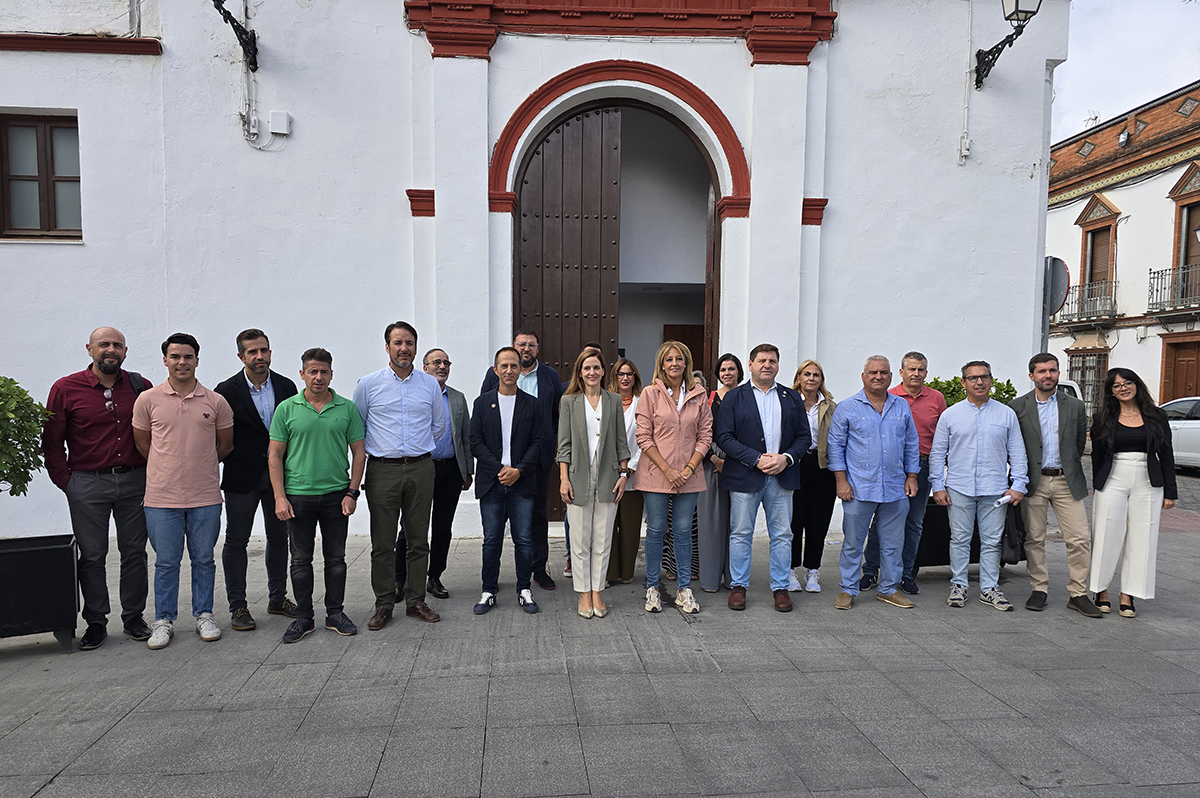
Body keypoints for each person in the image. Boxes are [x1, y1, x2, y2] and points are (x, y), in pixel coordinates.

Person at [42, 326, 153, 650]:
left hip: (135, 481)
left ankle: (133, 617)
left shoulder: (139, 386)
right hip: (88, 484)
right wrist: (68, 483)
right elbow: (52, 442)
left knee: (135, 553)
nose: (111, 350)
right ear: (89, 349)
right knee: (92, 556)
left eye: (117, 345)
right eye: (104, 344)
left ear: (125, 351)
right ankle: (96, 622)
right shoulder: (65, 388)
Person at [132, 333, 234, 649]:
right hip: (161, 498)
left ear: (197, 361)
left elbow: (225, 445)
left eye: (188, 356)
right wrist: (170, 467)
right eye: (175, 356)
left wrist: (197, 465)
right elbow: (143, 444)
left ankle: (204, 615)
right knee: (166, 561)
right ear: (165, 360)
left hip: (205, 496)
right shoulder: (147, 400)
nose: (182, 362)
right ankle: (163, 620)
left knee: (204, 559)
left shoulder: (215, 401)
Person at [268, 348, 366, 643]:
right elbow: (274, 455)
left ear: (331, 374)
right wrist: (279, 497)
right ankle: (305, 617)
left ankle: (335, 613)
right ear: (302, 374)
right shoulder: (287, 408)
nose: (318, 377)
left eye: (324, 371)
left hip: (337, 495)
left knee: (336, 559)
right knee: (300, 560)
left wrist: (352, 492)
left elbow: (359, 452)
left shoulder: (347, 408)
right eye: (313, 371)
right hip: (298, 496)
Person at [354, 321, 446, 628]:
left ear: (415, 348)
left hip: (421, 468)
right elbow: (359, 428)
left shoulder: (430, 385)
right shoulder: (368, 385)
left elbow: (438, 424)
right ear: (387, 347)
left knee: (418, 540)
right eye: (397, 343)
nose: (403, 348)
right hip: (383, 471)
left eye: (409, 343)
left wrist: (419, 450)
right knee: (383, 542)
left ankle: (415, 600)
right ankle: (383, 603)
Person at [214, 329, 299, 632]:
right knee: (237, 540)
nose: (259, 356)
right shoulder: (225, 390)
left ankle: (277, 598)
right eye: (252, 352)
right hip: (242, 476)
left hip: (281, 476)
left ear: (270, 353)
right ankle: (238, 606)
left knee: (279, 538)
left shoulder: (287, 386)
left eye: (264, 350)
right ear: (241, 356)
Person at [716, 344, 810, 612]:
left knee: (782, 534)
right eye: (761, 360)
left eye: (772, 360)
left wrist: (786, 458)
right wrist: (755, 459)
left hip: (782, 476)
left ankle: (780, 587)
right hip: (745, 475)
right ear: (750, 364)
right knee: (741, 532)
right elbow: (723, 436)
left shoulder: (792, 397)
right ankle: (738, 586)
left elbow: (804, 436)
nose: (767, 365)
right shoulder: (734, 397)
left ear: (778, 365)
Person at [931, 360, 1028, 611]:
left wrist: (1019, 483)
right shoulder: (950, 415)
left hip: (994, 489)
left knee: (992, 541)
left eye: (984, 377)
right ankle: (959, 585)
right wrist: (937, 486)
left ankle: (989, 588)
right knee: (960, 539)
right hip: (959, 488)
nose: (979, 382)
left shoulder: (1006, 414)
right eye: (973, 378)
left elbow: (1017, 451)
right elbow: (937, 452)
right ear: (963, 382)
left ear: (991, 380)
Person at [1010, 353, 1102, 617]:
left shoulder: (1074, 406)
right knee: (1035, 538)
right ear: (1032, 376)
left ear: (1059, 374)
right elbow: (1014, 447)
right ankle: (1039, 589)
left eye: (1052, 370)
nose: (1047, 375)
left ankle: (1078, 593)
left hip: (1066, 480)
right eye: (1041, 371)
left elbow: (1077, 445)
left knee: (1079, 539)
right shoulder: (1017, 407)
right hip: (1034, 482)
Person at [828, 355, 919, 610]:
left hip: (895, 487)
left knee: (893, 543)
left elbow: (911, 444)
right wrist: (841, 482)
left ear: (891, 376)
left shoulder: (901, 406)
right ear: (863, 376)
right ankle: (848, 589)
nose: (878, 377)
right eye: (873, 372)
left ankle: (888, 589)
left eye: (884, 372)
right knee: (853, 542)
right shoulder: (847, 407)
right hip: (858, 488)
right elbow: (835, 446)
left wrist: (912, 477)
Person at [480, 329, 564, 590]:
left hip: (535, 461)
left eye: (531, 345)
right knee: (496, 526)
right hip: (499, 464)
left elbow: (555, 416)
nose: (526, 348)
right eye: (521, 344)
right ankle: (493, 579)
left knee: (537, 516)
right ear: (514, 347)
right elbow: (484, 415)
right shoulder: (495, 375)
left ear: (537, 348)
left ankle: (538, 569)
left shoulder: (550, 376)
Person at [1089, 368, 1177, 619]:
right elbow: (1096, 456)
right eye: (1116, 386)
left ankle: (1128, 593)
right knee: (1106, 534)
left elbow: (1167, 455)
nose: (1123, 388)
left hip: (1148, 480)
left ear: (1137, 384)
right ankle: (1101, 590)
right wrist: (1098, 485)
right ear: (1110, 391)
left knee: (1143, 537)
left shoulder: (1156, 416)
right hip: (1113, 477)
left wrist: (1170, 491)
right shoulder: (1102, 418)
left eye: (1127, 383)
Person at [634, 341, 712, 614]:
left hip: (688, 474)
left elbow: (705, 435)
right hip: (657, 473)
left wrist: (689, 468)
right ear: (662, 364)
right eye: (669, 359)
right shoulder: (649, 394)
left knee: (682, 532)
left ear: (687, 363)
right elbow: (643, 436)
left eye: (679, 358)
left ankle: (683, 589)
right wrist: (667, 470)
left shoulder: (699, 394)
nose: (674, 364)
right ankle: (652, 588)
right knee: (656, 530)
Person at [860, 351, 947, 595]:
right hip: (891, 467)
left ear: (926, 373)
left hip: (922, 466)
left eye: (920, 369)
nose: (916, 373)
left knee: (914, 522)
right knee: (880, 520)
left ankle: (906, 574)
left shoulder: (937, 399)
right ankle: (870, 571)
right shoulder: (891, 396)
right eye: (911, 369)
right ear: (901, 372)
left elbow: (942, 438)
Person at [469, 347, 544, 615]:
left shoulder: (532, 404)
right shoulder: (482, 403)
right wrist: (500, 469)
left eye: (514, 366)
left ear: (519, 369)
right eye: (504, 366)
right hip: (491, 483)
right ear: (495, 370)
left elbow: (538, 443)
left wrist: (519, 471)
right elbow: (475, 442)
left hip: (521, 483)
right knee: (491, 540)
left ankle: (524, 589)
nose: (509, 371)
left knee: (524, 539)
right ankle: (489, 590)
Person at [394, 348, 472, 601]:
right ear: (424, 367)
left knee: (442, 527)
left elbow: (465, 437)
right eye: (436, 362)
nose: (442, 366)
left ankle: (434, 577)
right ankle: (400, 579)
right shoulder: (415, 395)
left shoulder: (458, 398)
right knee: (409, 527)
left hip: (450, 470)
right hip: (420, 468)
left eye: (446, 362)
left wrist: (467, 470)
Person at [558, 348, 631, 618]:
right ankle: (583, 592)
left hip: (609, 477)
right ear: (580, 372)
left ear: (603, 371)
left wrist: (624, 475)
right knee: (579, 539)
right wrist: (563, 479)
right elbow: (563, 445)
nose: (592, 372)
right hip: (577, 477)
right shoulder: (569, 402)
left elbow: (622, 443)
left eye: (596, 368)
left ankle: (597, 591)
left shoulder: (613, 400)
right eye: (587, 368)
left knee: (602, 538)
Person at [788, 359, 836, 594]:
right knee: (794, 521)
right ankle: (790, 569)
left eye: (816, 375)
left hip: (821, 467)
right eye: (806, 374)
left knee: (818, 522)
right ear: (798, 377)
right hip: (795, 465)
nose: (811, 378)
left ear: (821, 380)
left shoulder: (830, 406)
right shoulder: (787, 401)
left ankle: (813, 570)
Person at [697, 353, 741, 593]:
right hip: (711, 465)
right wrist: (714, 458)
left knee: (737, 524)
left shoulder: (747, 398)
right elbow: (698, 432)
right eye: (723, 369)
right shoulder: (708, 398)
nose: (727, 373)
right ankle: (710, 580)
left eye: (732, 369)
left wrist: (733, 461)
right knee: (711, 523)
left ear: (739, 372)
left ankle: (734, 578)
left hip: (740, 465)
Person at [607, 357, 644, 585]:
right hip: (608, 474)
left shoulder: (643, 403)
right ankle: (609, 572)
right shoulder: (606, 402)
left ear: (635, 378)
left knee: (630, 526)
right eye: (621, 374)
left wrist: (630, 468)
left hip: (635, 474)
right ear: (614, 377)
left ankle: (627, 573)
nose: (625, 378)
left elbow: (646, 440)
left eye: (629, 374)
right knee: (608, 526)